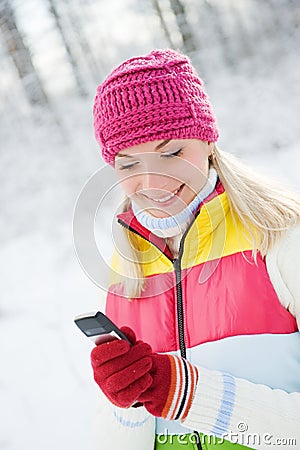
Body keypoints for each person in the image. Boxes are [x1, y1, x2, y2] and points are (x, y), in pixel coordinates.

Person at [89, 49, 300, 450]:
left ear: (207, 140)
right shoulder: (128, 267)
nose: (152, 180)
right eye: (128, 163)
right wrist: (125, 402)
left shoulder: (282, 236)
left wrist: (187, 395)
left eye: (171, 153)